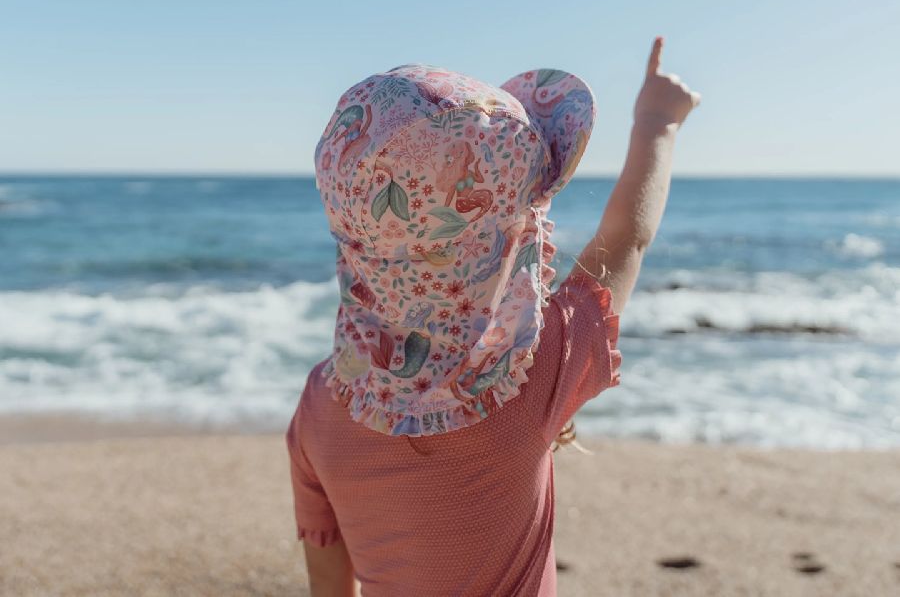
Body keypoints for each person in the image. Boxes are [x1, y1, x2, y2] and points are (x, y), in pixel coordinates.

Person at [286, 37, 700, 596]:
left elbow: (330, 590)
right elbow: (626, 240)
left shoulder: (321, 404)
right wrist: (658, 123)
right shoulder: (527, 377)